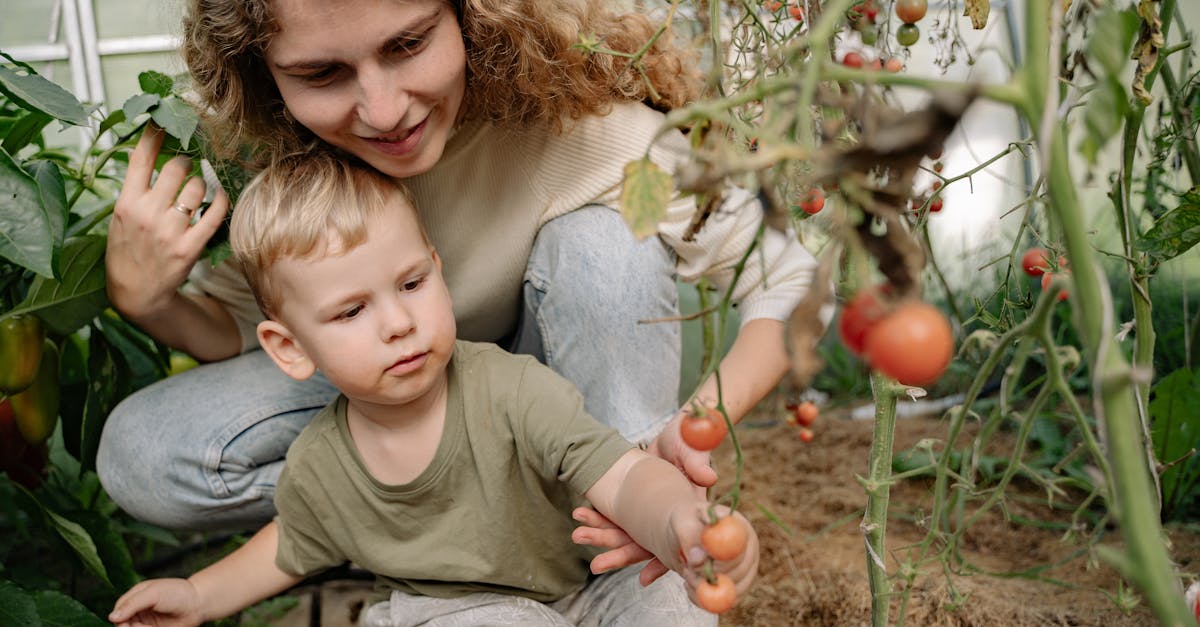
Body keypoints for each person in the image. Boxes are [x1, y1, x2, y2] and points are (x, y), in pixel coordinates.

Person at [98, 0, 826, 574]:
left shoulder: (584, 129)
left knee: (606, 244)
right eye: (322, 74)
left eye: (408, 44)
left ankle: (616, 512)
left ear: (472, 15)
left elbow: (787, 273)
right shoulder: (284, 161)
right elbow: (240, 326)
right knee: (142, 452)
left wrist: (692, 425)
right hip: (393, 413)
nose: (384, 111)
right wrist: (148, 299)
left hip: (564, 411)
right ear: (266, 71)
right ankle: (460, 532)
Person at [108, 152, 758, 627]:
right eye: (351, 311)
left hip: (589, 583)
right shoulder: (322, 460)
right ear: (291, 347)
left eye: (412, 283)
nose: (398, 323)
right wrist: (197, 595)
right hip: (460, 608)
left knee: (666, 598)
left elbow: (620, 474)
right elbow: (286, 546)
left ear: (437, 271)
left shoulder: (510, 389)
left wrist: (678, 517)